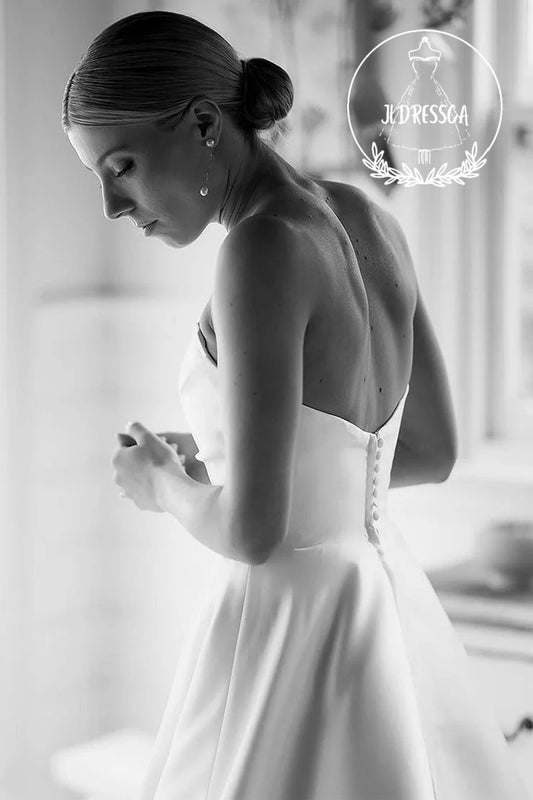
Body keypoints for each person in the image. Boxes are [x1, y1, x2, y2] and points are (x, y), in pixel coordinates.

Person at [63, 11, 530, 800]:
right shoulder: (366, 218)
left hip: (287, 628)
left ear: (205, 124)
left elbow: (252, 532)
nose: (112, 204)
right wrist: (230, 454)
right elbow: (426, 452)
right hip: (378, 607)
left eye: (123, 166)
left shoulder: (257, 247)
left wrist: (160, 483)